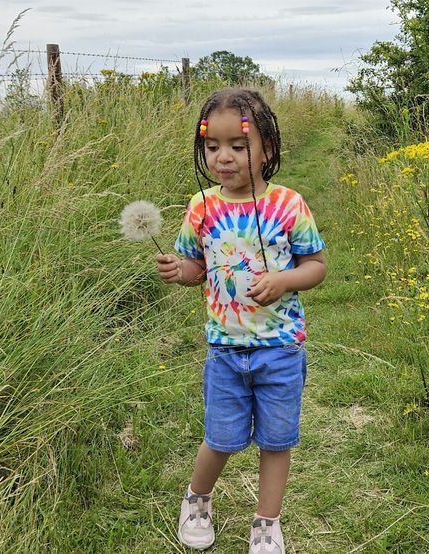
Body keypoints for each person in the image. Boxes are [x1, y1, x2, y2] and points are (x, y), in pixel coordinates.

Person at [156, 87, 327, 553]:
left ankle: (266, 524)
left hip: (281, 349)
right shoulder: (201, 206)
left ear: (266, 148)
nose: (223, 157)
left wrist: (285, 280)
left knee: (277, 441)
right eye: (212, 146)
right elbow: (197, 268)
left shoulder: (288, 204)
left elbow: (316, 266)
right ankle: (197, 500)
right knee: (221, 438)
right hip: (225, 352)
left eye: (238, 145)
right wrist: (179, 271)